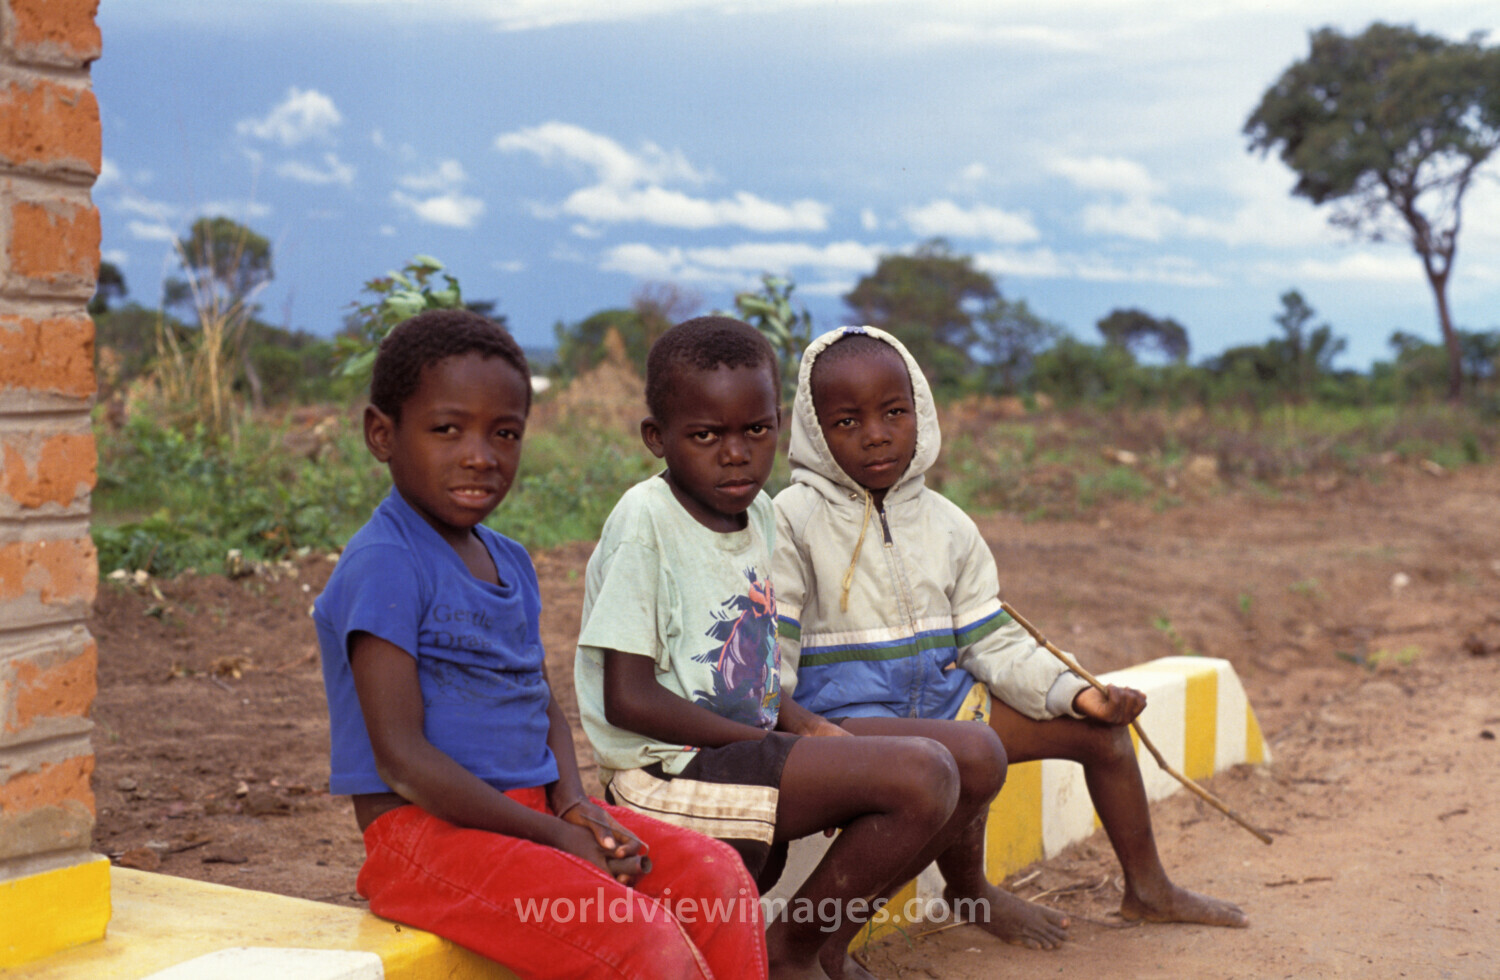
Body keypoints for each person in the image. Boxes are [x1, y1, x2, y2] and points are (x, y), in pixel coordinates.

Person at [314, 309, 767, 980]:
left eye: (505, 433)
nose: (480, 455)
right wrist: (555, 839)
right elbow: (403, 760)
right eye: (447, 429)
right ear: (382, 434)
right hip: (422, 839)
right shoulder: (385, 563)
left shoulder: (510, 560)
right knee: (638, 936)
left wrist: (574, 805)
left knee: (716, 875)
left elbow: (537, 701)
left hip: (526, 817)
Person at [773, 325, 1248, 951]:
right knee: (968, 751)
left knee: (1099, 733)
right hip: (848, 723)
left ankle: (1148, 889)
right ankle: (838, 941)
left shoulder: (947, 525)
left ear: (920, 411)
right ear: (813, 431)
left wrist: (1078, 695)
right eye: (846, 421)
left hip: (942, 707)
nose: (877, 434)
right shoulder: (791, 522)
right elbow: (768, 660)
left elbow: (990, 642)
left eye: (894, 412)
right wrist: (800, 732)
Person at [574, 316, 1007, 980]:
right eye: (705, 435)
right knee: (924, 776)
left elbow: (751, 672)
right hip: (664, 772)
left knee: (974, 753)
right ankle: (793, 956)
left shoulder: (760, 515)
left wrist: (806, 727)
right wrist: (765, 741)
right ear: (657, 439)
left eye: (756, 430)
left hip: (737, 745)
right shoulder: (646, 520)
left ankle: (823, 945)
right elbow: (626, 697)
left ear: (780, 424)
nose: (736, 453)